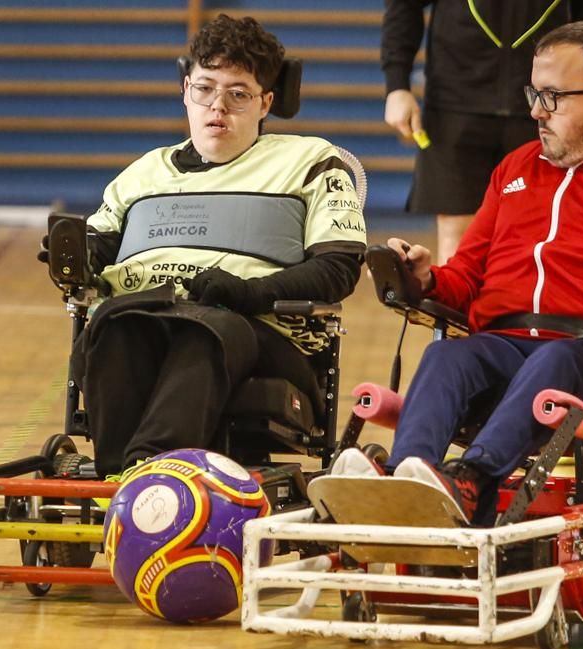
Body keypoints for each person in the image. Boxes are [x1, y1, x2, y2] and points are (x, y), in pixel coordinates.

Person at [335, 21, 583, 522]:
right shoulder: (515, 169)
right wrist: (427, 279)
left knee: (557, 362)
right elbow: (468, 275)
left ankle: (472, 482)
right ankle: (405, 480)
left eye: (552, 96)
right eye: (533, 93)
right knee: (448, 357)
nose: (534, 111)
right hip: (508, 342)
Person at [55, 15, 366, 479]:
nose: (217, 106)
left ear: (266, 102)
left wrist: (247, 291)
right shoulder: (144, 172)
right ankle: (123, 481)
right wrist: (70, 259)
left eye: (238, 94)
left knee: (203, 331)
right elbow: (98, 244)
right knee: (112, 327)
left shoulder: (311, 161)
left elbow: (339, 267)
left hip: (257, 326)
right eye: (205, 88)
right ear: (186, 90)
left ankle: (150, 475)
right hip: (146, 313)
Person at [381, 0, 583, 262]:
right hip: (455, 103)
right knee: (458, 240)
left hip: (544, 106)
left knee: (541, 237)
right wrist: (397, 85)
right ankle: (457, 304)